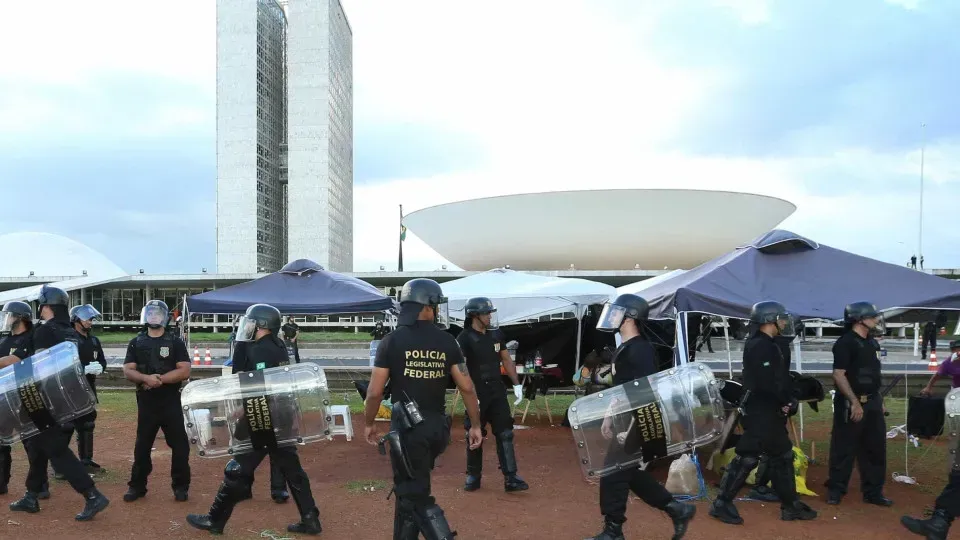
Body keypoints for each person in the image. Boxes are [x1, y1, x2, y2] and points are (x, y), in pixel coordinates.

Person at [363, 278, 484, 540]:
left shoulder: (392, 341)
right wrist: (475, 424)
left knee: (415, 494)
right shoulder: (448, 341)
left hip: (407, 431)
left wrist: (369, 422)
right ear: (428, 306)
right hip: (436, 428)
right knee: (409, 489)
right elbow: (467, 387)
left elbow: (374, 392)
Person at [187, 303, 322, 535]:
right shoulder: (279, 345)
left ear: (260, 325)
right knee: (292, 469)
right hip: (282, 415)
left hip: (261, 417)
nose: (247, 327)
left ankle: (215, 519)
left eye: (251, 322)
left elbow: (257, 386)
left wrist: (241, 410)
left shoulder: (259, 349)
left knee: (238, 467)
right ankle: (310, 518)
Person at [586, 293, 697, 540]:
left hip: (641, 418)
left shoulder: (641, 350)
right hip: (627, 418)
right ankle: (676, 509)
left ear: (630, 317)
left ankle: (613, 531)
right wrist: (608, 415)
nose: (612, 316)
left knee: (614, 472)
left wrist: (633, 426)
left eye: (617, 312)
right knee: (628, 472)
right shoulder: (625, 347)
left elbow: (646, 393)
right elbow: (622, 389)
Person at [709, 301, 817, 526]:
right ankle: (722, 503)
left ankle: (791, 505)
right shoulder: (760, 345)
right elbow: (768, 382)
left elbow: (778, 379)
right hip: (760, 410)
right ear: (769, 320)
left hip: (768, 409)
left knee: (782, 455)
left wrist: (786, 399)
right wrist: (787, 400)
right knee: (747, 455)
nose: (784, 322)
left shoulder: (768, 343)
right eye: (780, 318)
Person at [8, 285, 110, 520]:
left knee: (56, 450)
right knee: (40, 447)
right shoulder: (70, 332)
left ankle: (92, 495)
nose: (40, 311)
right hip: (65, 400)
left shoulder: (46, 330)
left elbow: (42, 368)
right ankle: (32, 495)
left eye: (42, 306)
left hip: (43, 402)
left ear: (47, 306)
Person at [121, 299, 192, 502]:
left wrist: (159, 380)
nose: (153, 317)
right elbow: (128, 369)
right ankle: (137, 486)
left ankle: (180, 486)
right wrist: (145, 379)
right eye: (150, 313)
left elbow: (185, 370)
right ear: (146, 316)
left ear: (164, 317)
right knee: (142, 446)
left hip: (170, 401)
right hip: (146, 403)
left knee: (180, 446)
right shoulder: (136, 342)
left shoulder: (175, 341)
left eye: (157, 313)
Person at [824, 301, 892, 506]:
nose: (876, 319)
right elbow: (838, 374)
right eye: (872, 316)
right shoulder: (845, 343)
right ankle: (836, 490)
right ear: (859, 319)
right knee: (844, 447)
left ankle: (873, 492)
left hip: (872, 402)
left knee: (875, 448)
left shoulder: (872, 343)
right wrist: (854, 402)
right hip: (850, 402)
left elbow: (873, 375)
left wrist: (878, 400)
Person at [457, 297, 528, 493]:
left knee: (505, 432)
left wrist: (516, 385)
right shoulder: (464, 338)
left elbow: (506, 359)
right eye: (486, 313)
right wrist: (470, 393)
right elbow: (461, 370)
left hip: (497, 391)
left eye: (490, 313)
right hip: (477, 392)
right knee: (474, 431)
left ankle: (511, 477)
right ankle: (473, 475)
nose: (490, 316)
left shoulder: (496, 335)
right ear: (474, 315)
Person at [53, 304, 107, 479]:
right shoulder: (67, 341)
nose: (90, 322)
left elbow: (102, 361)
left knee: (87, 425)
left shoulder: (93, 341)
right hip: (69, 390)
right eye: (87, 318)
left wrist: (100, 368)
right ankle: (60, 467)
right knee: (67, 427)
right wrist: (82, 369)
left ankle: (86, 461)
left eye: (91, 319)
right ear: (76, 319)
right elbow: (59, 365)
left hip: (88, 389)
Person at [0, 301, 41, 496]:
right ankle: (1, 482)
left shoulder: (31, 338)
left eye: (9, 315)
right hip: (5, 397)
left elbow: (13, 361)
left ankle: (39, 486)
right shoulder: (4, 340)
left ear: (19, 317)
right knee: (2, 442)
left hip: (27, 396)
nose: (6, 319)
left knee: (32, 443)